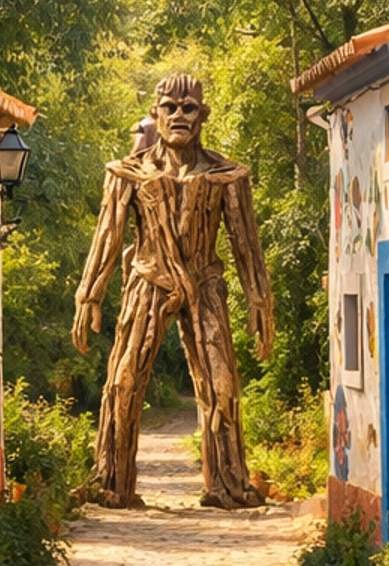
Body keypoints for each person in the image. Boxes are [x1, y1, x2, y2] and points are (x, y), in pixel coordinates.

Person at [73, 73, 274, 508]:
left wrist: (260, 299)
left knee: (222, 385)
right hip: (149, 277)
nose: (179, 116)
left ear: (203, 115)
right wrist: (89, 293)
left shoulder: (226, 175)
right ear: (155, 114)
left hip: (205, 281)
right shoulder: (128, 173)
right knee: (124, 380)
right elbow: (108, 235)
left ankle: (227, 484)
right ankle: (111, 481)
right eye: (170, 107)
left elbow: (246, 244)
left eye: (189, 108)